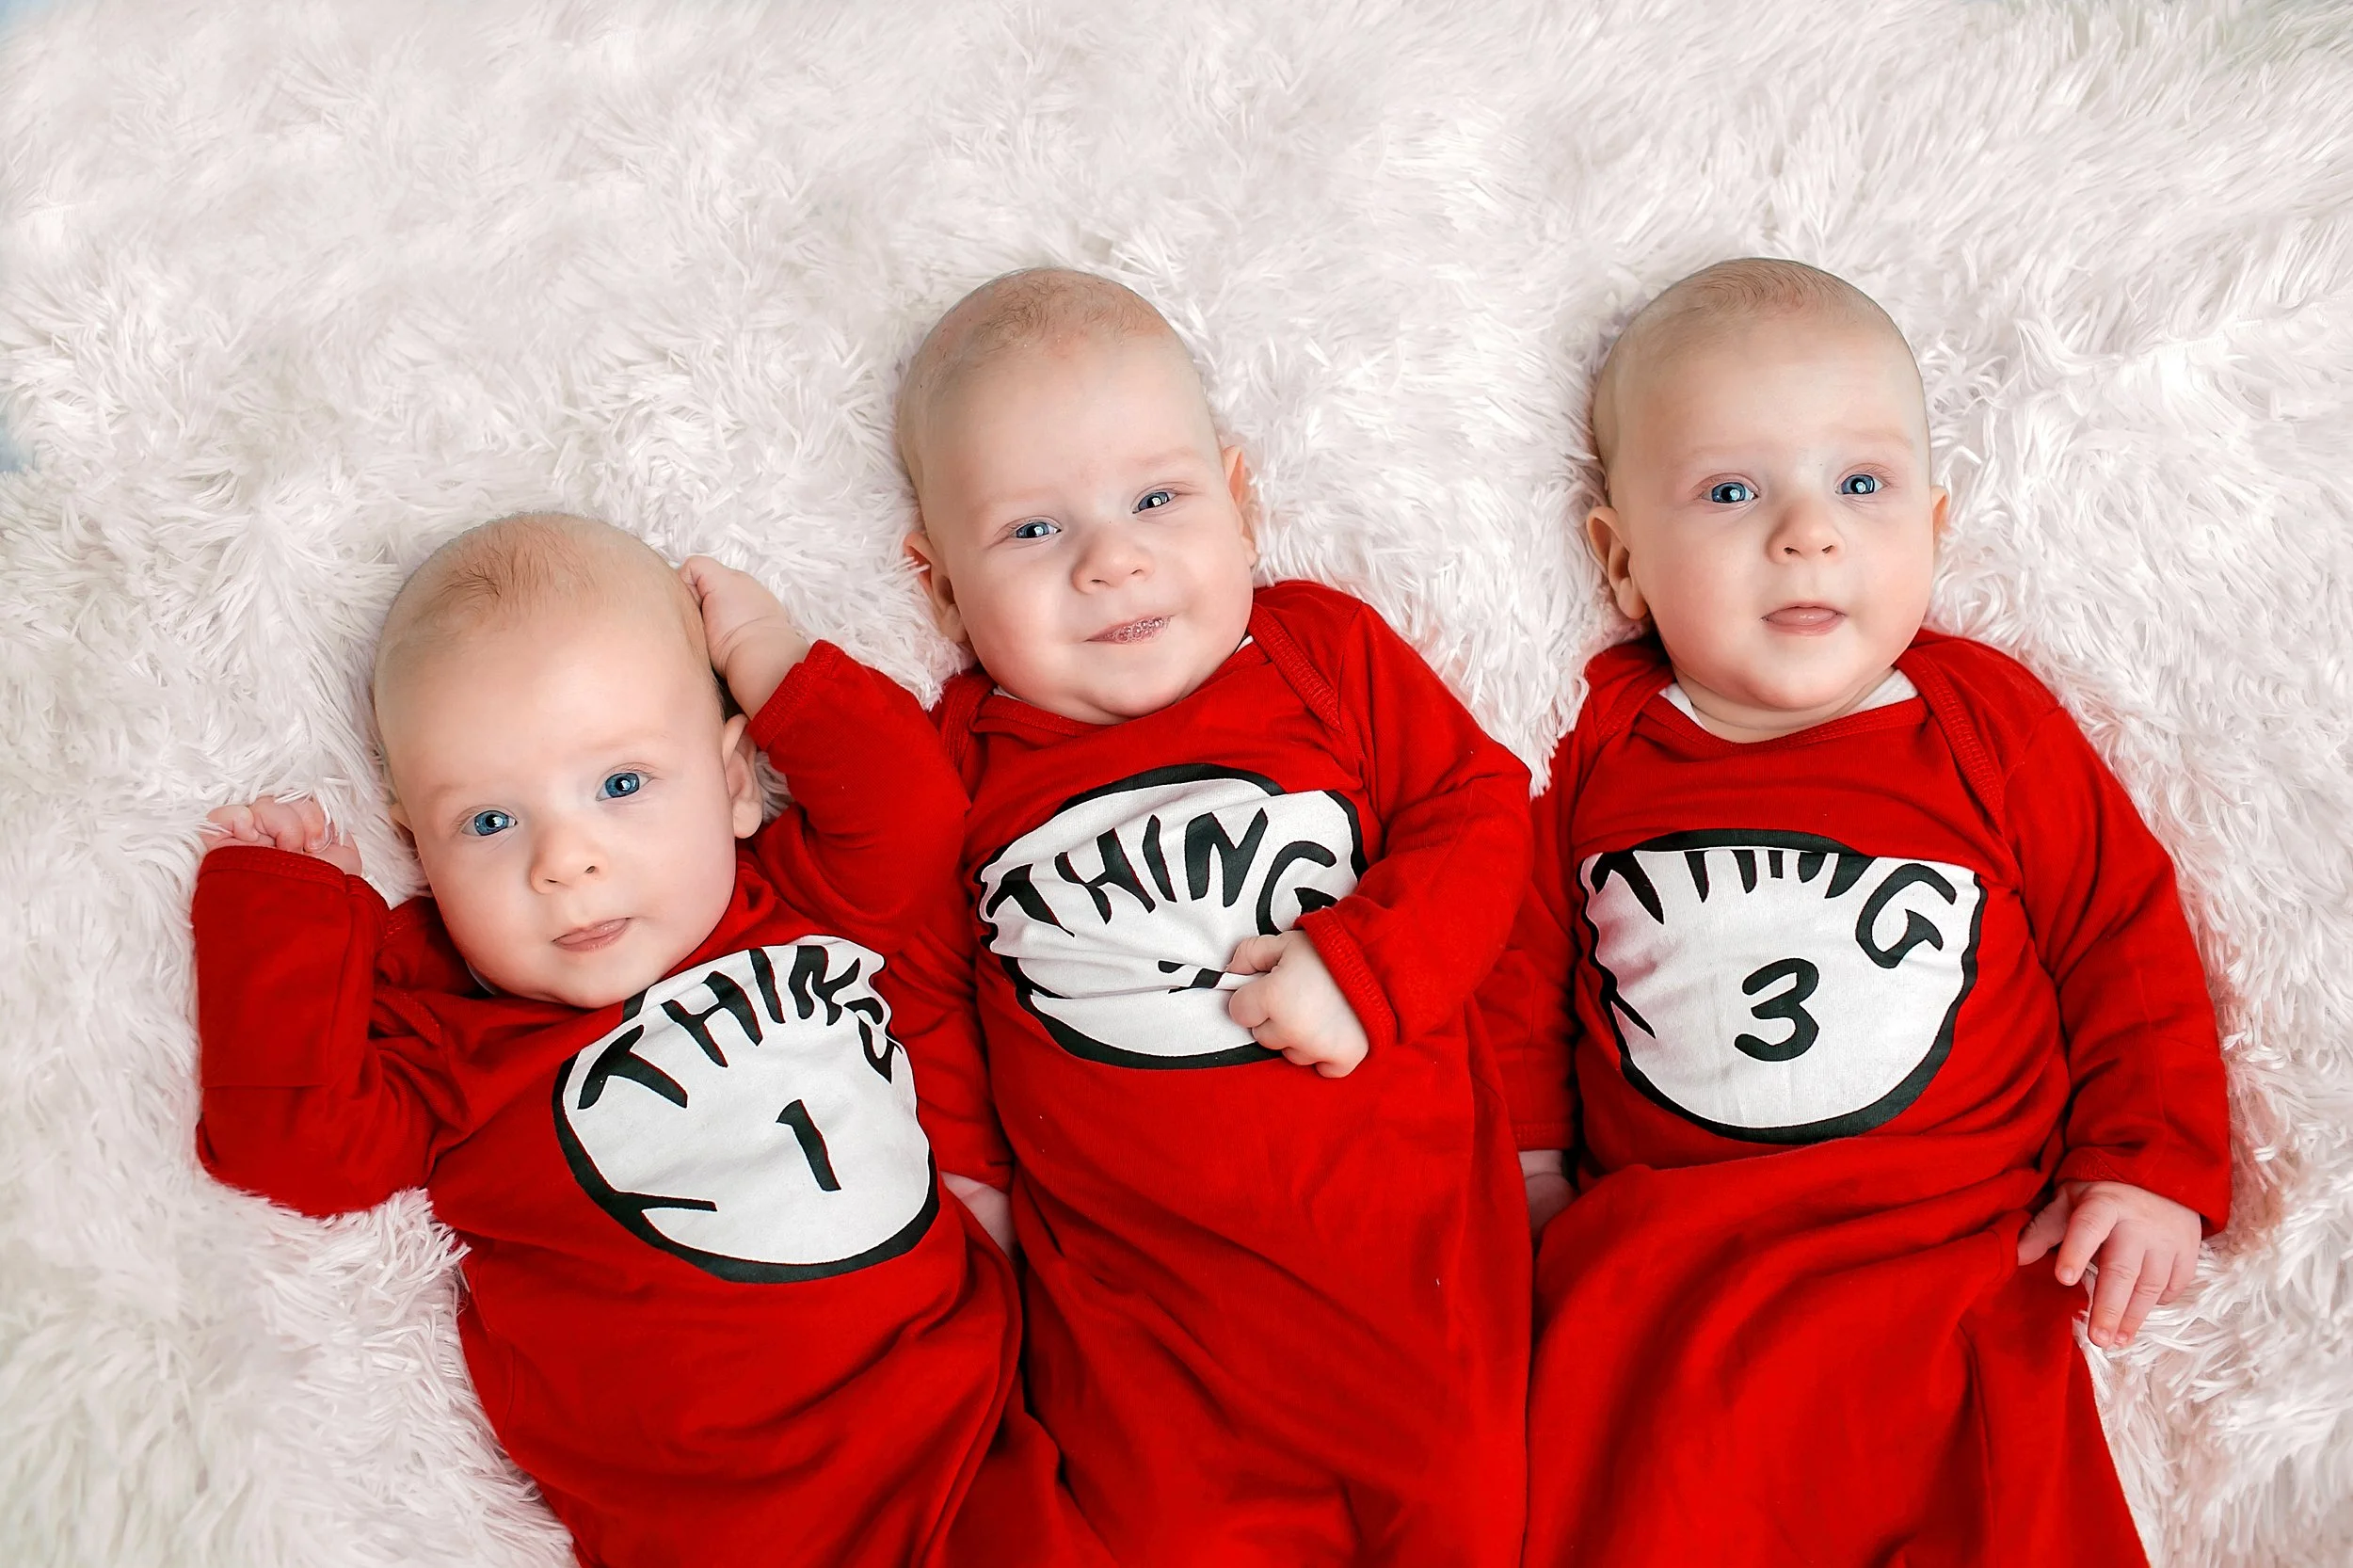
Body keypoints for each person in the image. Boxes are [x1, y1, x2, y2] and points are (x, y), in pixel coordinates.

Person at [1487, 259, 2233, 1566]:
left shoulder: (1985, 725)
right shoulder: (1593, 745)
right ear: (1621, 560)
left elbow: (2120, 933)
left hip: (1955, 1253)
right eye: (1732, 492)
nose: (1807, 533)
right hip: (1671, 1260)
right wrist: (1532, 1181)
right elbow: (1515, 976)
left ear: (1935, 528)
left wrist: (2146, 1161)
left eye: (1862, 486)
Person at [193, 514, 1100, 1568]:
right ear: (417, 848)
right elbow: (290, 1147)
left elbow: (912, 813)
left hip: (966, 1448)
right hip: (716, 1529)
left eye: (622, 785)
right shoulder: (456, 1038)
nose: (566, 860)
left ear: (729, 781)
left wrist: (773, 662)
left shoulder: (800, 904)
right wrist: (285, 915)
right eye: (489, 823)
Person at [896, 266, 1536, 1568]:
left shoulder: (1321, 656)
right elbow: (923, 984)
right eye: (1031, 532)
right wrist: (972, 1191)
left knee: (1475, 1517)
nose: (1111, 558)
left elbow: (1481, 812)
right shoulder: (957, 765)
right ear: (942, 584)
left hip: (1406, 1293)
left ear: (1240, 501)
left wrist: (1371, 966)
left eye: (1158, 499)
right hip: (1143, 1331)